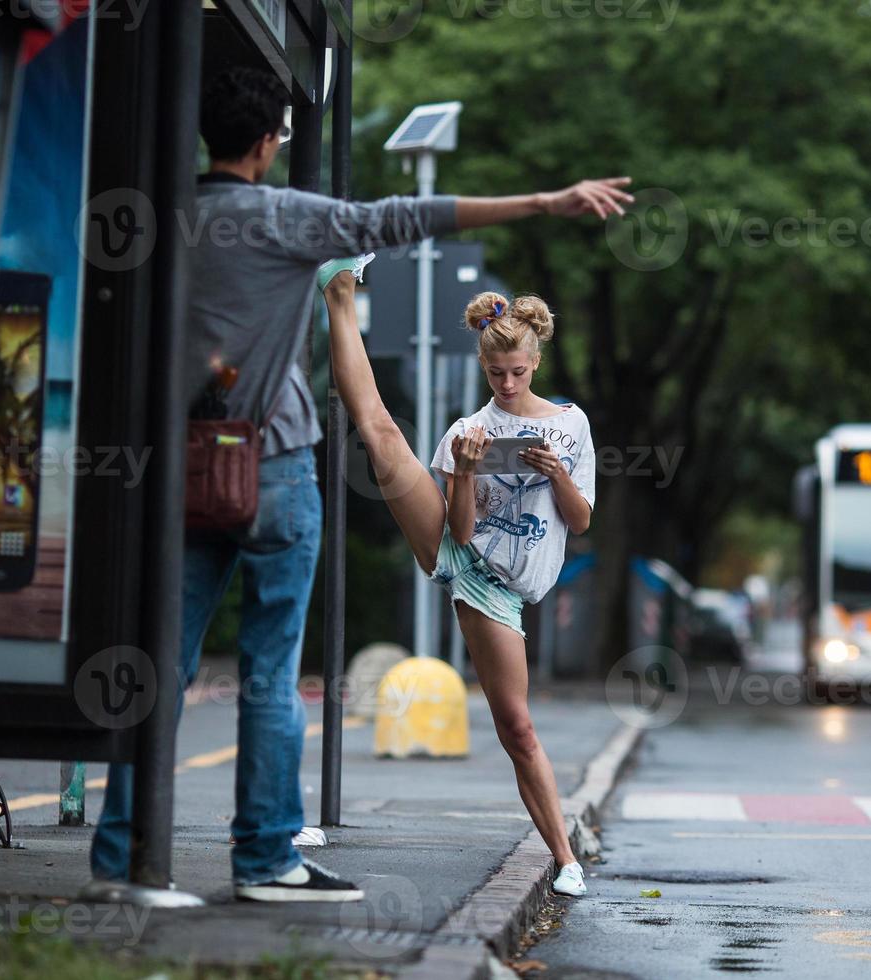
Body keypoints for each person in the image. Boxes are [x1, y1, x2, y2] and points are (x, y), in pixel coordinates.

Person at [87, 65, 631, 903]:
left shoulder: (169, 219)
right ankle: (267, 859)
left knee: (167, 661)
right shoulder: (287, 216)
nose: (511, 373)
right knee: (276, 663)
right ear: (270, 144)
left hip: (191, 461)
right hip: (288, 471)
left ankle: (123, 857)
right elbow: (406, 217)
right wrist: (547, 201)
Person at [321, 262, 594, 897]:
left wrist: (555, 472)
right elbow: (462, 532)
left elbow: (579, 521)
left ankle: (567, 858)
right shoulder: (467, 432)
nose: (506, 383)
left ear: (535, 362)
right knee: (382, 433)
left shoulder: (569, 426)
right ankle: (339, 292)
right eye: (495, 374)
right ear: (482, 365)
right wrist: (465, 471)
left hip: (511, 586)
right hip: (468, 563)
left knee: (514, 727)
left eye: (518, 373)